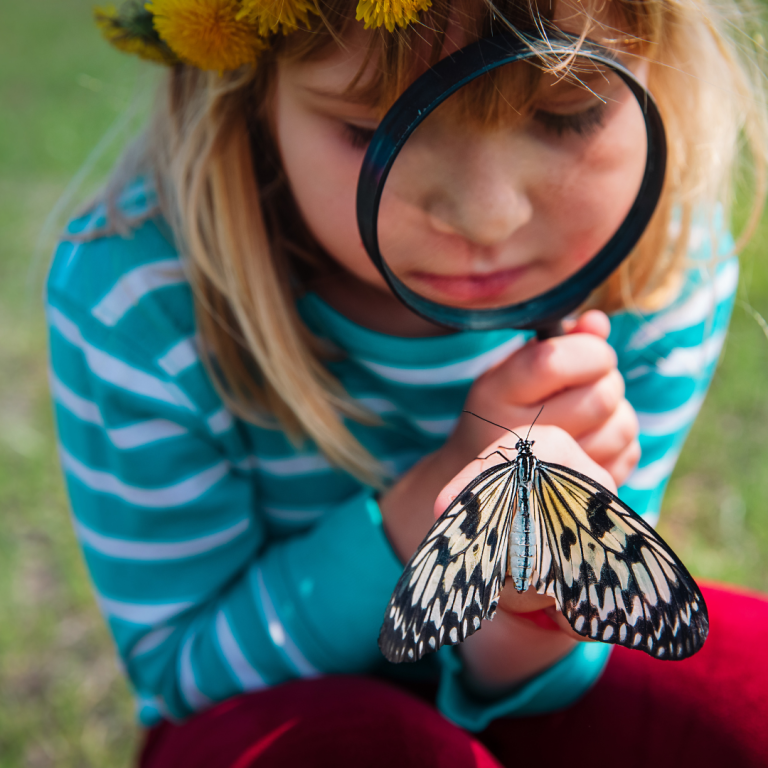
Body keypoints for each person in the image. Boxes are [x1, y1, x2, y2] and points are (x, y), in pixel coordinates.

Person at [46, 0, 768, 765]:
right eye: (369, 131)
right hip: (277, 720)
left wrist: (528, 602)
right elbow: (186, 679)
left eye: (569, 113)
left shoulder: (663, 267)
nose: (489, 216)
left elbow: (585, 646)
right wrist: (423, 504)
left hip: (531, 680)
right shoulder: (138, 301)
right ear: (250, 100)